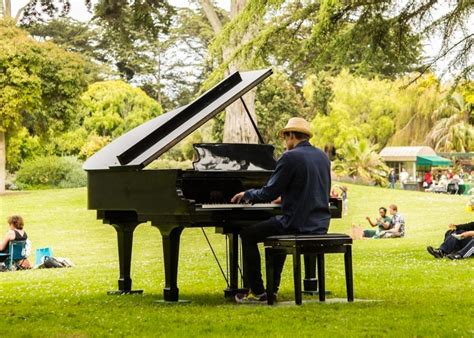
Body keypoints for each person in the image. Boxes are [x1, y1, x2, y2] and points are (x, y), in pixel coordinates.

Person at [230, 117, 331, 303]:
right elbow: (307, 187)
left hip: (295, 223)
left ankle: (258, 291)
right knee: (276, 234)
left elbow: (268, 192)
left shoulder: (290, 157)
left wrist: (248, 193)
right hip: (319, 224)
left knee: (248, 235)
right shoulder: (323, 157)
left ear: (291, 136)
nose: (285, 142)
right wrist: (284, 198)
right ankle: (272, 289)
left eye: (286, 138)